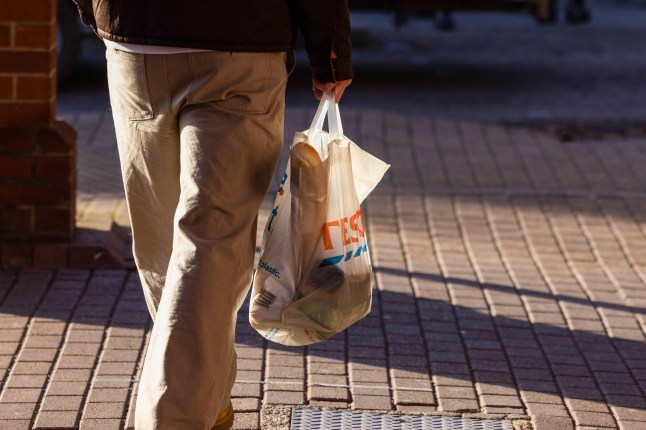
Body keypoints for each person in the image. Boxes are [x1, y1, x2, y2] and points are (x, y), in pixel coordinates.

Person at [70, 1, 353, 429]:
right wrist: (330, 48)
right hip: (237, 41)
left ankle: (209, 402)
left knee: (167, 245)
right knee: (204, 244)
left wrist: (97, 12)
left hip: (136, 37)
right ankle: (177, 419)